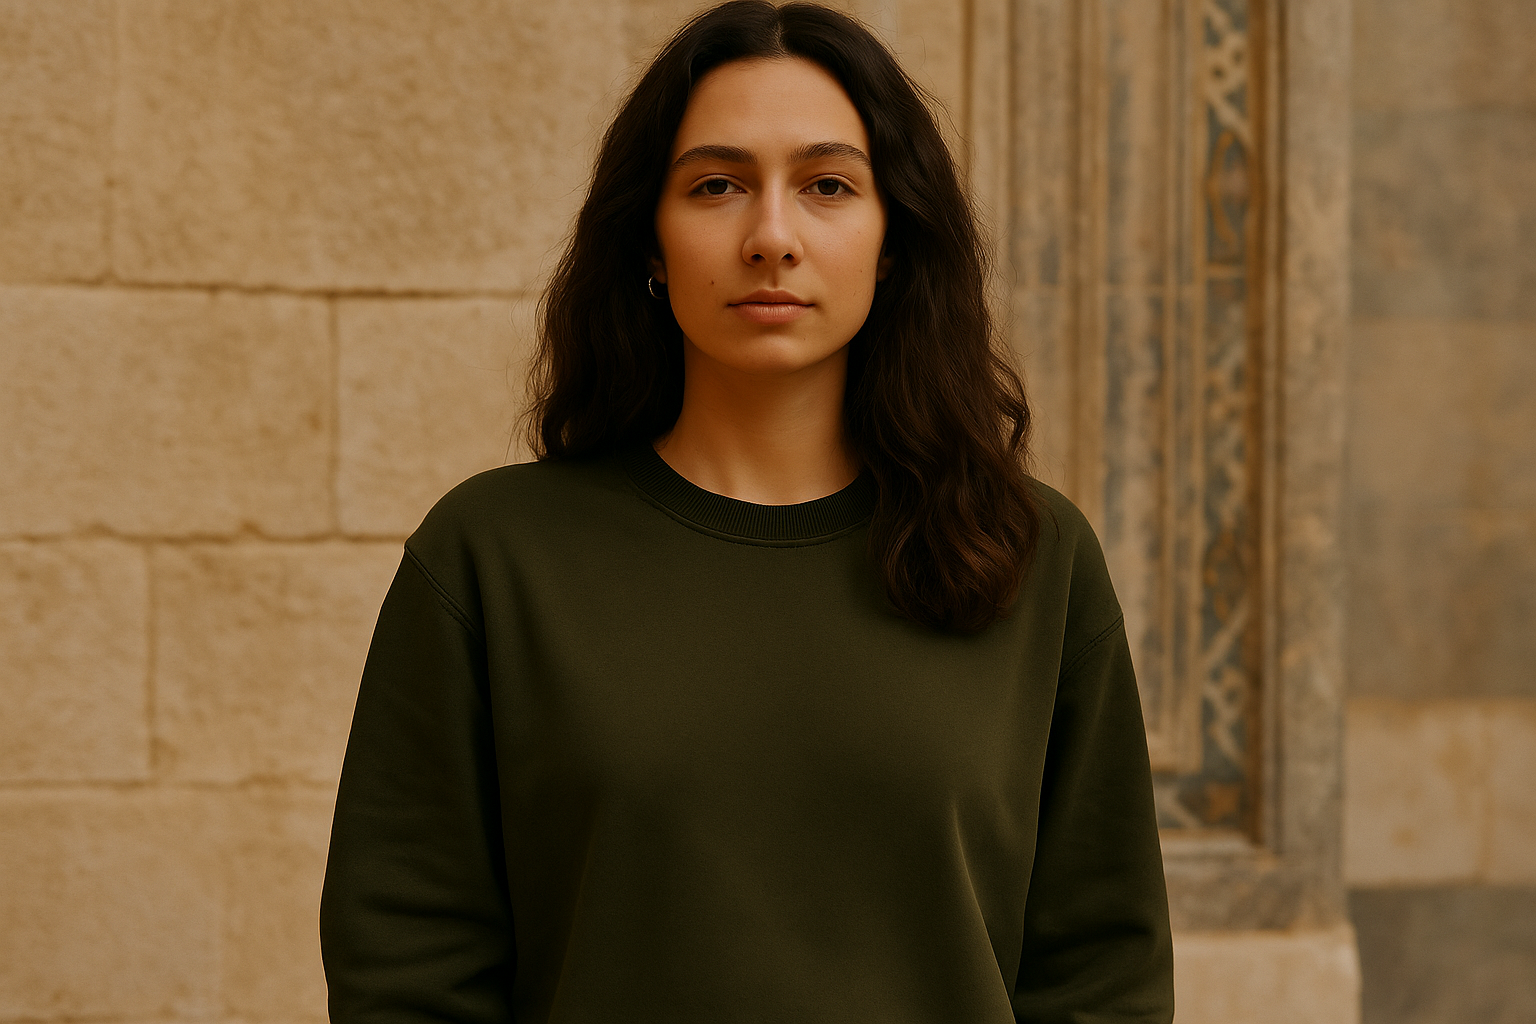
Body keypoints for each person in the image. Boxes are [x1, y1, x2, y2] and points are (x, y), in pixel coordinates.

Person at [318, 2, 1173, 1021]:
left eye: (827, 186)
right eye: (717, 185)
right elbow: (406, 969)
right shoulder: (494, 558)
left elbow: (1102, 976)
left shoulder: (1033, 557)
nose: (771, 236)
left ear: (892, 239)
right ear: (650, 236)